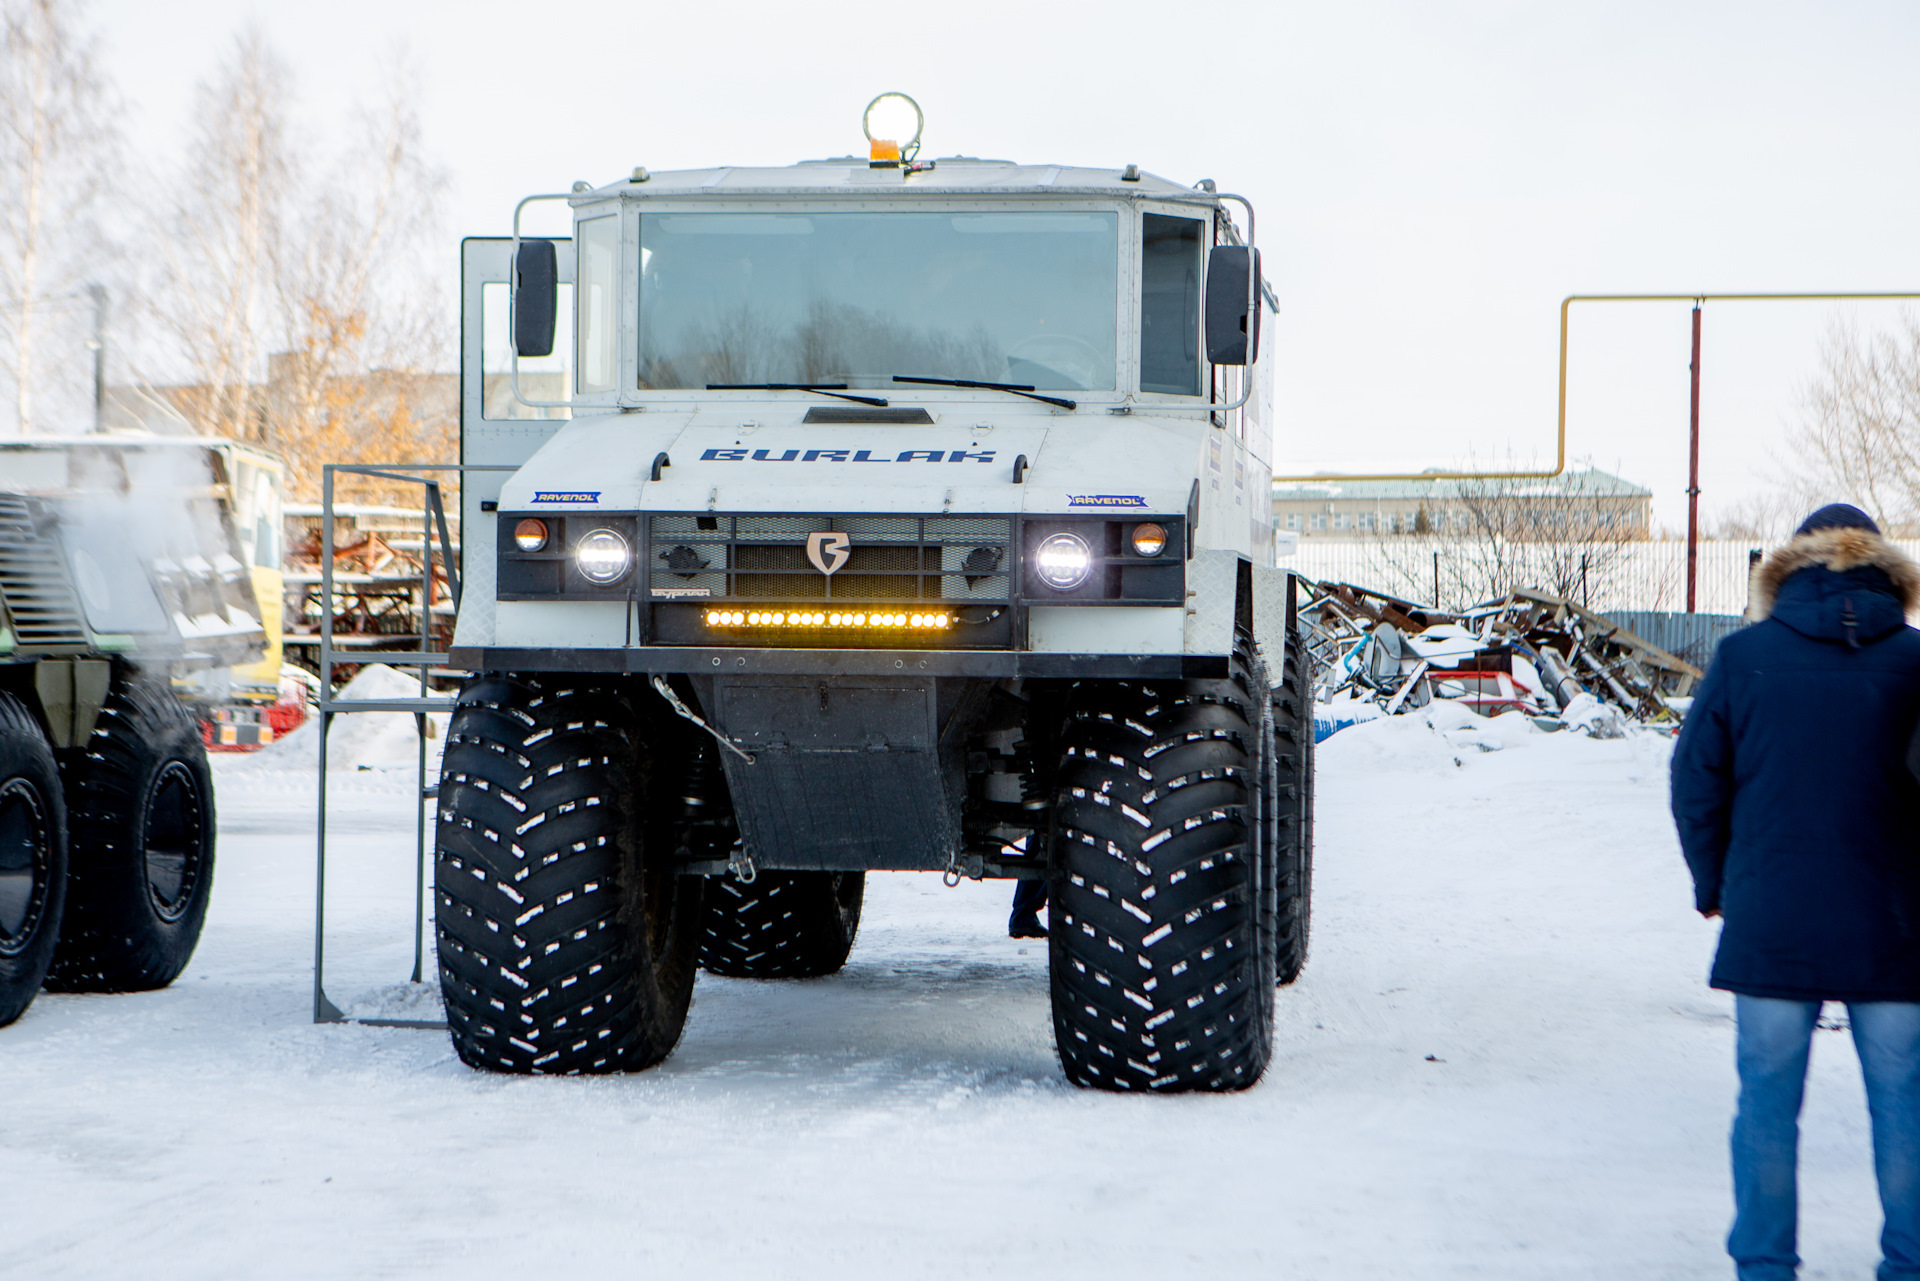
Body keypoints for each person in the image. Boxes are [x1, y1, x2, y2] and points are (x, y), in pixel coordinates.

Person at [1671, 503, 1920, 1281]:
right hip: (1896, 923)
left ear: (1791, 567)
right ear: (1883, 569)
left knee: (1767, 1107)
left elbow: (1693, 780)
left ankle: (1766, 1266)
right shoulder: (1917, 660)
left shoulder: (1745, 657)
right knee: (1905, 1109)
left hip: (1772, 916)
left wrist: (1716, 881)